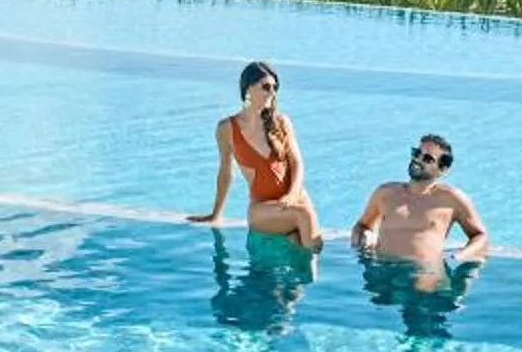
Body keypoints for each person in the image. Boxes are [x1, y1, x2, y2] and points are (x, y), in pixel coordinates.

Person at [188, 60, 323, 250]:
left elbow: (297, 163)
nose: (272, 93)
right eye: (266, 87)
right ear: (248, 89)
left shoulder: (281, 122)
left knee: (310, 243)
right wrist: (216, 214)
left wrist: (292, 195)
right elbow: (226, 172)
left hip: (295, 199)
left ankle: (306, 277)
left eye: (275, 88)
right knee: (304, 218)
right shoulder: (227, 128)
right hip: (262, 209)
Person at [349, 133, 489, 284]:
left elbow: (480, 236)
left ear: (442, 169)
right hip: (384, 274)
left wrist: (459, 257)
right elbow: (362, 225)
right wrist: (360, 243)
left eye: (427, 158)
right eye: (416, 153)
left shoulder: (452, 199)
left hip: (424, 279)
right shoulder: (385, 193)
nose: (418, 159)